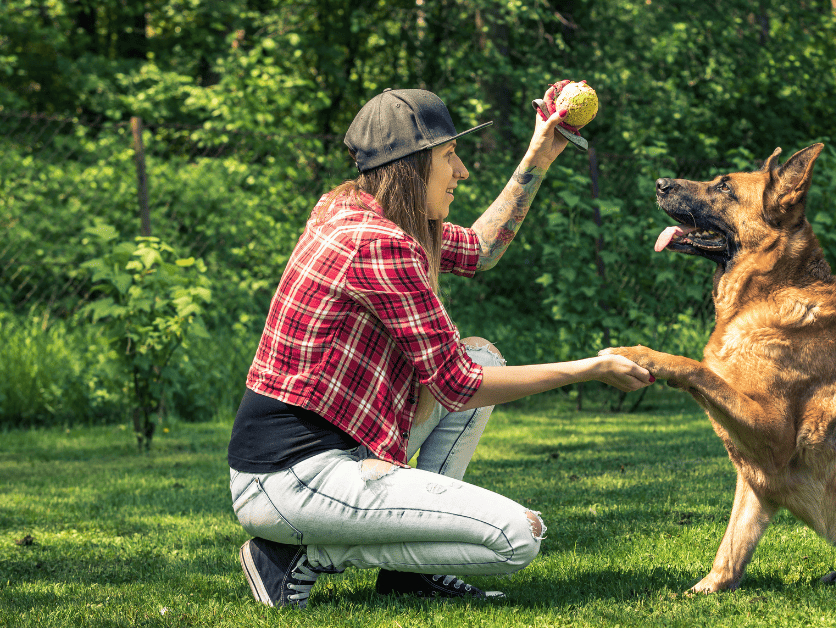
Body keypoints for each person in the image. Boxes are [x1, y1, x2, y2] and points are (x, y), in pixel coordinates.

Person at [227, 86, 653, 609]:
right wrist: (587, 368)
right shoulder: (379, 244)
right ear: (410, 166)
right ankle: (297, 558)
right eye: (449, 156)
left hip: (325, 454)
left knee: (483, 355)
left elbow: (481, 248)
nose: (463, 171)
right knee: (518, 536)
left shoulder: (357, 211)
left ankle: (410, 577)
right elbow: (456, 386)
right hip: (292, 476)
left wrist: (542, 150)